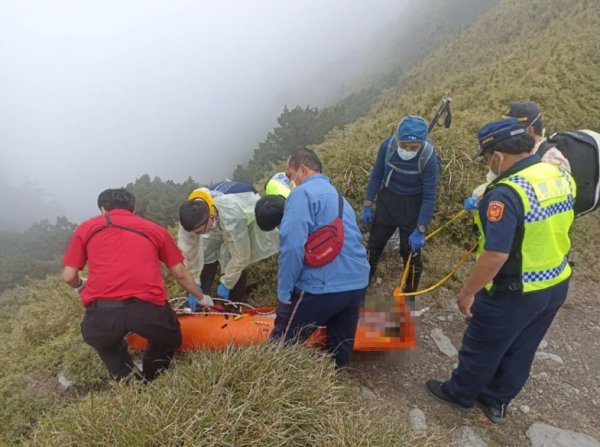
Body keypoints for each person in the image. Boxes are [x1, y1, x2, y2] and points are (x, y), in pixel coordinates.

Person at [426, 118, 576, 424]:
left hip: (515, 288)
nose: (488, 164)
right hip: (556, 282)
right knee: (522, 347)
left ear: (497, 156)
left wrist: (468, 292)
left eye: (486, 157)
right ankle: (496, 400)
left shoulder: (507, 194)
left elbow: (495, 254)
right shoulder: (557, 174)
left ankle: (460, 393)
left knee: (482, 343)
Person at [62, 188, 213, 382]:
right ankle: (154, 375)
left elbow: (68, 276)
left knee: (106, 345)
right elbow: (180, 273)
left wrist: (80, 284)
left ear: (102, 209)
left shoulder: (85, 228)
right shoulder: (154, 229)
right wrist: (201, 297)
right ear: (132, 209)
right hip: (148, 309)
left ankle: (127, 379)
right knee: (168, 338)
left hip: (103, 313)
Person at [271, 148, 370, 367]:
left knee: (281, 344)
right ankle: (335, 385)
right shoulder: (339, 197)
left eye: (290, 175)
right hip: (357, 282)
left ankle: (272, 386)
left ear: (303, 170)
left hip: (323, 286)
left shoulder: (302, 194)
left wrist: (285, 293)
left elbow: (292, 247)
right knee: (340, 345)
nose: (291, 182)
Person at [362, 115, 440, 294]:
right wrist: (368, 203)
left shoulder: (428, 156)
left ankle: (409, 295)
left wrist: (420, 229)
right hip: (387, 200)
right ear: (397, 139)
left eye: (414, 147)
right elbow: (377, 175)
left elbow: (429, 195)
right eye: (403, 145)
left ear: (422, 143)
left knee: (410, 252)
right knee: (374, 246)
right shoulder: (387, 146)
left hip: (413, 205)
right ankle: (363, 285)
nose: (407, 150)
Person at [178, 181, 279, 305]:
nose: (197, 235)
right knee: (205, 252)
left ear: (210, 217)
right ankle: (201, 298)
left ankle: (234, 302)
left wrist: (227, 283)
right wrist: (193, 286)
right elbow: (190, 254)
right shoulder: (189, 219)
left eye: (199, 231)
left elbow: (241, 256)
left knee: (232, 255)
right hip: (218, 216)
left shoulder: (232, 216)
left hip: (244, 211)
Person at [465, 101, 570, 210]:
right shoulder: (508, 153)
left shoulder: (551, 158)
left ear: (530, 129)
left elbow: (559, 197)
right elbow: (493, 181)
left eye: (513, 126)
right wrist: (479, 196)